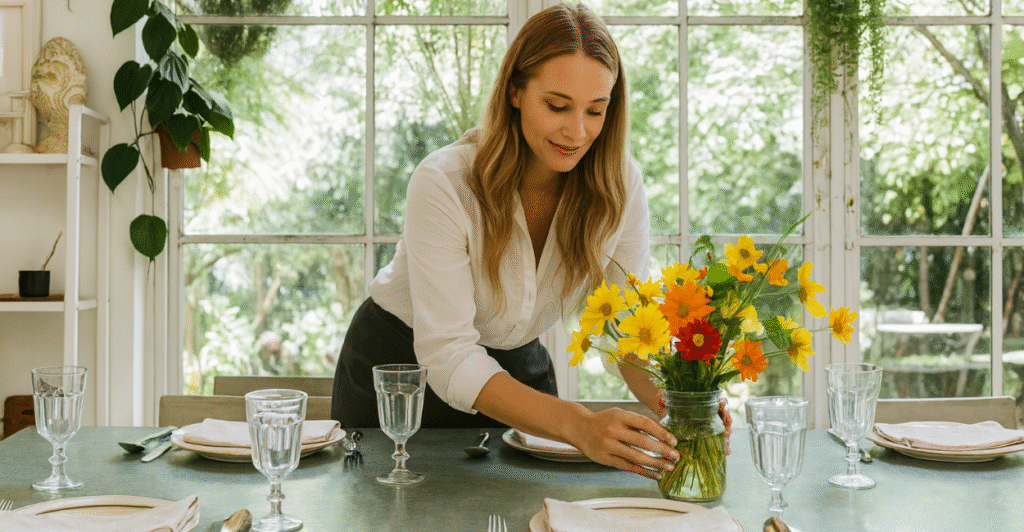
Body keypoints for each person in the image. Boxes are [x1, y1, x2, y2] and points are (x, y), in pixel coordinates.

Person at [332, 2, 728, 481]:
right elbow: (449, 353)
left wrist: (686, 399)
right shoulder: (443, 181)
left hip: (516, 372)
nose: (576, 131)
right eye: (557, 106)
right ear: (515, 91)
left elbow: (626, 326)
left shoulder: (620, 185)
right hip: (399, 373)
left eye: (595, 111)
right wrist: (579, 425)